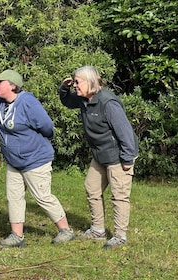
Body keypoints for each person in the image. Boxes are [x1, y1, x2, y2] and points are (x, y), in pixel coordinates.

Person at [0, 69, 75, 247]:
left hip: (35, 159)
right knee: (13, 197)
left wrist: (32, 143)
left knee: (42, 197)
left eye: (0, 82)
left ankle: (66, 230)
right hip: (13, 161)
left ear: (12, 86)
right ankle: (16, 236)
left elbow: (46, 126)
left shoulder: (27, 101)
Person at [58, 65, 139, 249]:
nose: (75, 85)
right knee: (91, 187)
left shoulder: (108, 103)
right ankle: (98, 230)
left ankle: (119, 236)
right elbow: (67, 101)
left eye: (78, 82)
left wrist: (127, 159)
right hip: (100, 155)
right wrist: (64, 88)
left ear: (90, 82)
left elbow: (125, 133)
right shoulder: (83, 99)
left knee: (119, 196)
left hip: (118, 156)